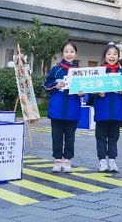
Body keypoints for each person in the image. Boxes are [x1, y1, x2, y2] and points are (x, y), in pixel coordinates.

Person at [44, 42, 84, 173]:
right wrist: (56, 86)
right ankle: (57, 160)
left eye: (72, 51)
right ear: (62, 54)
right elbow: (46, 85)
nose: (69, 54)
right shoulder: (56, 70)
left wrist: (82, 93)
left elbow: (85, 88)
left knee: (70, 137)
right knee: (56, 136)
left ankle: (67, 160)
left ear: (76, 54)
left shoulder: (80, 72)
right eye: (66, 51)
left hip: (72, 110)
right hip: (57, 109)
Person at [92, 42, 122, 173]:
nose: (112, 56)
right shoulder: (99, 72)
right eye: (109, 54)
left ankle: (112, 160)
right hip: (102, 110)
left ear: (118, 56)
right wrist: (97, 92)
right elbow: (90, 89)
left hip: (117, 111)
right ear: (104, 56)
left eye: (115, 54)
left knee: (114, 137)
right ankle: (102, 160)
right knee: (101, 137)